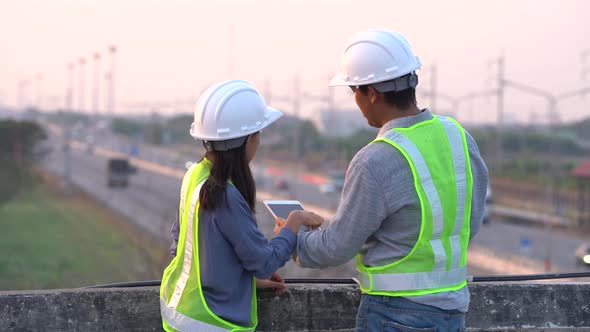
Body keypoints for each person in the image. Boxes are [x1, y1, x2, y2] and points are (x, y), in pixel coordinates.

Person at [275, 30, 489, 331]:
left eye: (355, 92)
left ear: (372, 93)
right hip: (454, 311)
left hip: (396, 314)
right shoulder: (459, 138)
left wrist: (292, 239)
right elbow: (471, 222)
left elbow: (336, 247)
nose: (356, 102)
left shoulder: (376, 159)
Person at [160, 80, 322, 332]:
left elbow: (184, 249)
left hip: (183, 316)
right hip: (213, 323)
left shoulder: (195, 177)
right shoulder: (225, 195)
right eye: (258, 133)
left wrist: (245, 281)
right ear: (247, 140)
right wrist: (294, 222)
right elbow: (264, 262)